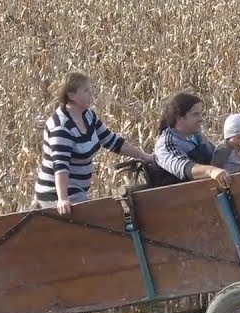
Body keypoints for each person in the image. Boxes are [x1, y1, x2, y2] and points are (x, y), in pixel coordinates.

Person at [33, 71, 155, 214]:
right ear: (72, 96)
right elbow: (60, 166)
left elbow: (113, 142)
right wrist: (63, 198)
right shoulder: (61, 127)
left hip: (77, 190)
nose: (91, 94)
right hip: (55, 192)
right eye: (86, 91)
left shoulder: (88, 115)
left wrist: (145, 156)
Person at [152, 92, 232, 188]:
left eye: (201, 114)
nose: (201, 119)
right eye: (195, 114)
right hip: (181, 198)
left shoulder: (197, 137)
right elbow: (184, 167)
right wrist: (211, 171)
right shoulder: (166, 144)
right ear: (179, 118)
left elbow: (215, 156)